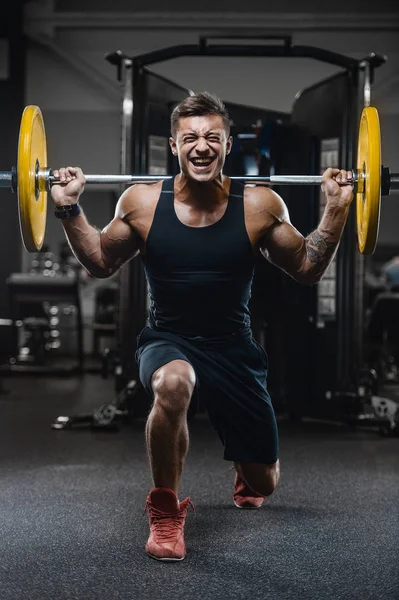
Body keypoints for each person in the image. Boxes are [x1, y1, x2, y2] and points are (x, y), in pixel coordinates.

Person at [50, 92, 354, 562]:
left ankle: (246, 467)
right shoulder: (142, 202)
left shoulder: (259, 205)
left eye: (213, 137)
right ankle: (166, 513)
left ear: (228, 144)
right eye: (190, 137)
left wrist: (336, 208)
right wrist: (69, 209)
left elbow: (307, 269)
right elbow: (101, 262)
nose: (202, 146)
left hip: (234, 348)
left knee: (263, 483)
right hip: (168, 338)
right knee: (174, 384)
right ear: (174, 146)